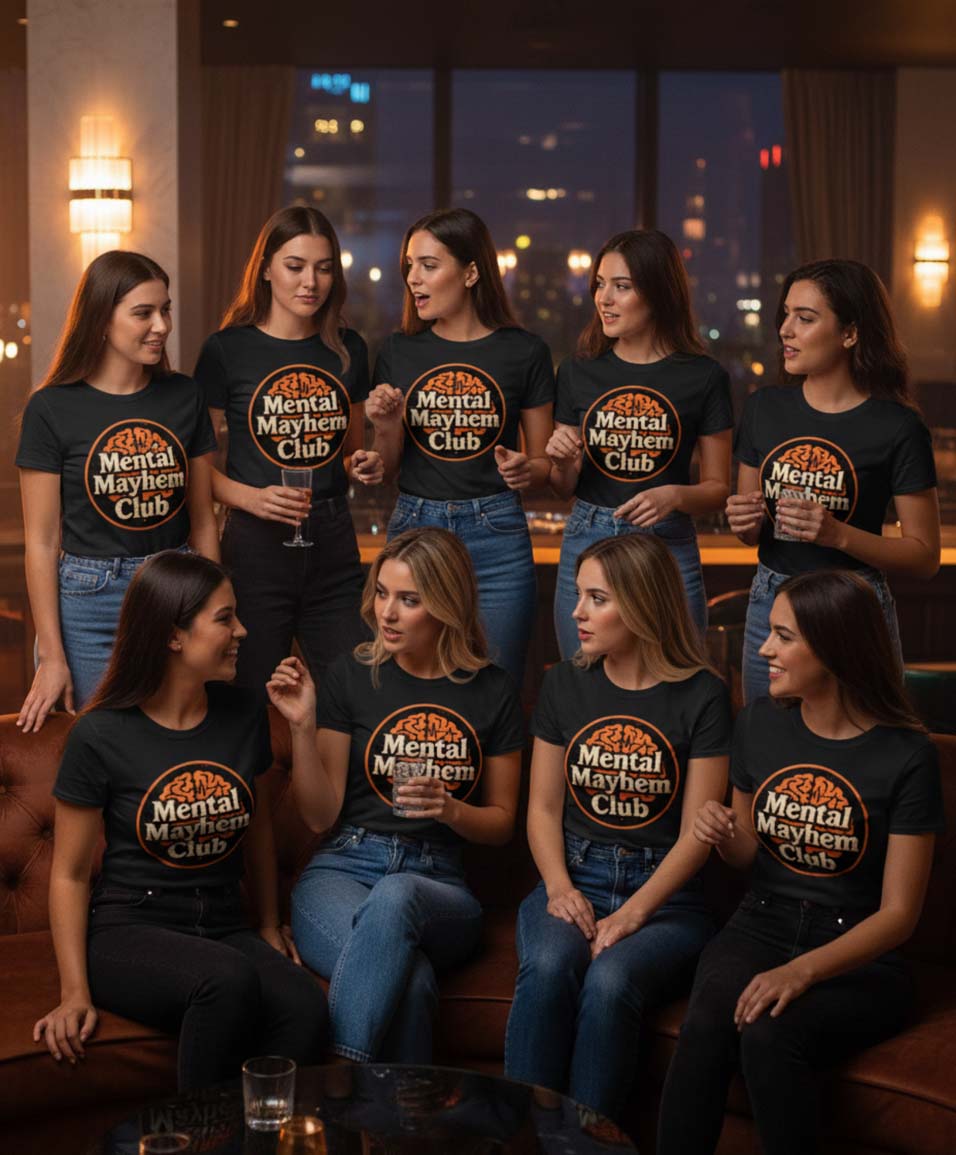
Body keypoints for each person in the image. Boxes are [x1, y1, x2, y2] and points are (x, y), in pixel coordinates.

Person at [656, 570, 943, 1155]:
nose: (764, 649)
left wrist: (803, 970)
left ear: (833, 647)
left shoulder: (908, 755)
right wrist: (721, 832)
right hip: (761, 921)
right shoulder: (760, 723)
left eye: (783, 637)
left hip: (860, 953)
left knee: (768, 1034)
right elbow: (745, 855)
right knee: (708, 1022)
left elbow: (899, 916)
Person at [33, 550, 328, 1091]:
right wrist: (74, 992)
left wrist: (265, 922)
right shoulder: (99, 734)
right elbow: (70, 875)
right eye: (224, 618)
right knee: (225, 981)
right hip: (130, 927)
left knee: (303, 1004)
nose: (241, 630)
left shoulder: (243, 716)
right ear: (173, 635)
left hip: (221, 923)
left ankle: (258, 1141)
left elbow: (259, 829)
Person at [272, 527, 525, 1063]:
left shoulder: (493, 690)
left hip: (438, 884)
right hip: (342, 868)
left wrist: (452, 810)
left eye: (409, 600)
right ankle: (400, 1130)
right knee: (409, 986)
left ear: (446, 605)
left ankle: (336, 1083)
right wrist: (302, 726)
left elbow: (502, 823)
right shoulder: (350, 677)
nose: (387, 612)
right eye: (382, 593)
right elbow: (320, 818)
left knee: (397, 895)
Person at [504, 533, 730, 1121]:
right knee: (551, 967)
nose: (577, 612)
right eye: (579, 596)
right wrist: (557, 887)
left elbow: (697, 834)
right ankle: (519, 1138)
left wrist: (634, 913)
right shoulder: (564, 684)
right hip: (573, 872)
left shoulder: (703, 695)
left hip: (667, 897)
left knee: (608, 983)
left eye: (596, 598)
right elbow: (543, 809)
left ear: (642, 603)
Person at [15, 251, 219, 727]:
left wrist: (216, 609)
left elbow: (204, 517)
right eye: (143, 313)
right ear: (101, 320)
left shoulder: (184, 396)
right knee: (103, 747)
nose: (162, 325)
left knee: (180, 736)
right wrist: (51, 654)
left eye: (165, 309)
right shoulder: (51, 409)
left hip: (178, 590)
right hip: (90, 602)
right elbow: (42, 543)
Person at [728, 258, 940, 702]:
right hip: (772, 599)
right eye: (785, 314)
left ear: (850, 333)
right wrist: (744, 521)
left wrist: (836, 534)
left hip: (853, 605)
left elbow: (925, 557)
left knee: (864, 752)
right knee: (767, 748)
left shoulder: (897, 426)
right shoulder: (764, 408)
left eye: (804, 318)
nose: (785, 329)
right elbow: (750, 533)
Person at [194, 205, 381, 696]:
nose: (310, 282)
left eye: (323, 268)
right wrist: (249, 498)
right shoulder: (226, 350)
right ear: (266, 269)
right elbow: (195, 469)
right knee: (247, 695)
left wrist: (362, 462)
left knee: (355, 689)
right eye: (295, 266)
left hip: (333, 541)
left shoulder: (349, 349)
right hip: (255, 544)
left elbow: (351, 454)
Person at [366, 207, 554, 687]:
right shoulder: (399, 351)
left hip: (497, 536)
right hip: (415, 527)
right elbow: (387, 468)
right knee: (409, 683)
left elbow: (545, 466)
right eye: (409, 265)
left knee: (497, 686)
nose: (414, 278)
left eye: (429, 265)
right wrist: (386, 427)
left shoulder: (524, 351)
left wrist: (523, 468)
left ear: (471, 272)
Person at [548, 229, 732, 656]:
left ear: (658, 293)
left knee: (677, 680)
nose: (603, 299)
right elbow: (563, 487)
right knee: (585, 682)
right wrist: (560, 462)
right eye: (600, 284)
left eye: (622, 287)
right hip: (587, 538)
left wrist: (674, 496)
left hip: (666, 545)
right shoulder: (578, 372)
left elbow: (718, 489)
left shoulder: (703, 377)